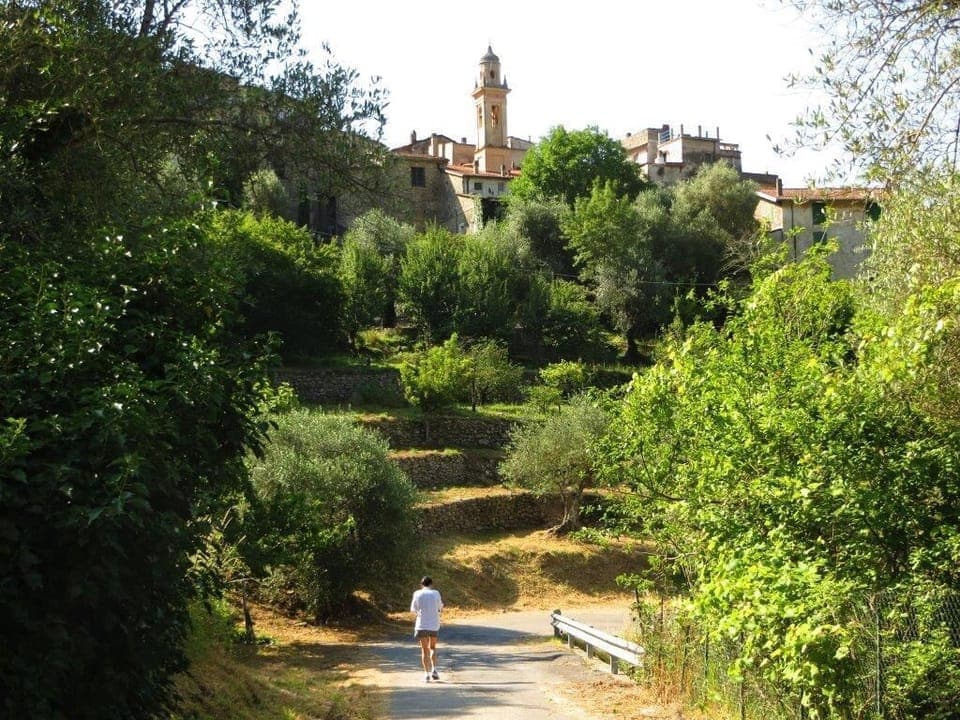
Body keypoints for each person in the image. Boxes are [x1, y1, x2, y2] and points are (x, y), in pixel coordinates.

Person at [410, 575, 443, 682]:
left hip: (422, 625)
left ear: (421, 584)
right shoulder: (436, 593)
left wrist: (419, 614)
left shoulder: (417, 593)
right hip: (434, 624)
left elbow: (413, 609)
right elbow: (440, 607)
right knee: (432, 647)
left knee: (424, 650)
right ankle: (434, 670)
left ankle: (426, 674)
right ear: (431, 584)